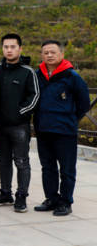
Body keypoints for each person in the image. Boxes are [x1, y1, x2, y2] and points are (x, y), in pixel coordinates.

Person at [33, 40, 90, 216]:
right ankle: (51, 198)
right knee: (47, 167)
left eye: (53, 52)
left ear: (61, 54)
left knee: (66, 169)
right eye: (45, 52)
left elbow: (84, 103)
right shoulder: (38, 75)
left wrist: (71, 118)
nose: (49, 55)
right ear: (42, 55)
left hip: (65, 131)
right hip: (43, 130)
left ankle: (66, 201)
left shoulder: (72, 76)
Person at [0, 33, 40, 212]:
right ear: (2, 48)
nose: (9, 50)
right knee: (3, 161)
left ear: (20, 48)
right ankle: (5, 193)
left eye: (13, 47)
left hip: (19, 126)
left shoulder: (28, 71)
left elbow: (34, 97)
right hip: (0, 126)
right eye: (6, 47)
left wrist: (20, 113)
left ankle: (21, 196)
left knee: (21, 161)